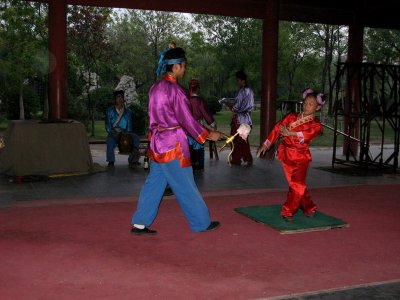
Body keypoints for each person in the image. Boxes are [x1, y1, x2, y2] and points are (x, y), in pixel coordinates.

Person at [130, 47, 224, 235]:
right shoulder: (177, 91)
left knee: (155, 183)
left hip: (157, 143)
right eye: (184, 66)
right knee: (185, 184)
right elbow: (187, 120)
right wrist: (207, 134)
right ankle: (201, 223)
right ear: (176, 67)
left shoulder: (154, 87)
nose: (185, 69)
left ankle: (140, 223)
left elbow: (153, 116)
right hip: (173, 145)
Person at [257, 88, 324, 222]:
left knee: (297, 185)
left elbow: (309, 134)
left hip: (301, 156)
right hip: (287, 154)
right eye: (305, 103)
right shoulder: (292, 117)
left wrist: (291, 133)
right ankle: (309, 207)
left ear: (317, 108)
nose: (306, 106)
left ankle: (288, 211)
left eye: (311, 104)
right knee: (296, 185)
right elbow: (278, 127)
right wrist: (267, 143)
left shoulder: (315, 124)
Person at [105, 90, 140, 167]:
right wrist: (112, 132)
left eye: (121, 97)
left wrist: (126, 134)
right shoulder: (109, 111)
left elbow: (129, 126)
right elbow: (107, 126)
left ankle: (133, 159)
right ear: (115, 99)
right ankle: (111, 160)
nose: (120, 99)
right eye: (118, 97)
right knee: (109, 141)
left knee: (136, 138)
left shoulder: (128, 112)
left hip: (125, 133)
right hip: (114, 133)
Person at [226, 70, 254, 166]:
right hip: (247, 119)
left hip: (239, 119)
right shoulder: (250, 90)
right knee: (244, 140)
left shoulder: (241, 91)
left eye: (237, 80)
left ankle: (236, 159)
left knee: (235, 140)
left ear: (242, 80)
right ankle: (248, 158)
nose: (236, 82)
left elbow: (236, 107)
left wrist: (229, 105)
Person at [187, 79, 217, 170]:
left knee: (188, 147)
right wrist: (213, 124)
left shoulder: (185, 100)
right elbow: (205, 113)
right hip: (197, 128)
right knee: (199, 146)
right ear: (198, 89)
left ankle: (189, 166)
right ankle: (198, 166)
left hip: (187, 129)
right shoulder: (199, 101)